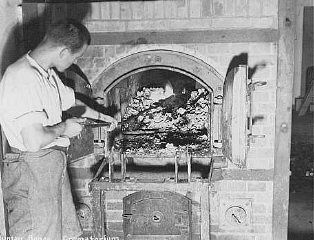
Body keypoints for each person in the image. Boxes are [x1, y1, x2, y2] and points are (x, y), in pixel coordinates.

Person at [0, 19, 117, 239]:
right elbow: (33, 141)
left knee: (62, 233)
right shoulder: (22, 77)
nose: (76, 61)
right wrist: (64, 127)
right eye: (76, 56)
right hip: (31, 171)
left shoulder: (45, 73)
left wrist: (103, 117)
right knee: (38, 234)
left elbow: (72, 103)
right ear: (63, 51)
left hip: (50, 165)